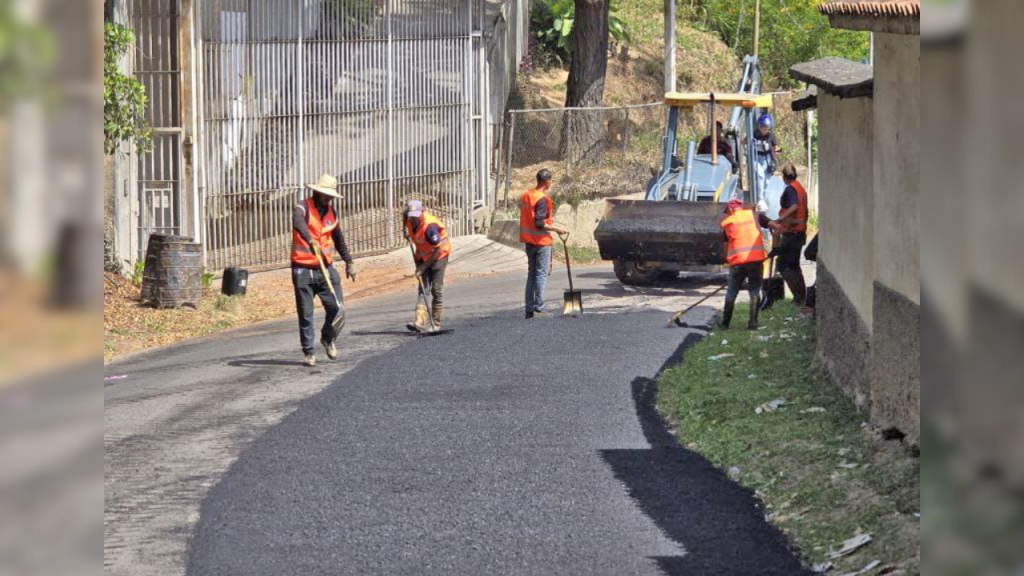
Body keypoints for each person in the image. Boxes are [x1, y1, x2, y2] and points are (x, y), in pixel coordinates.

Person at [291, 173, 356, 367]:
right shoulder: (302, 207)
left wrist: (349, 261)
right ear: (317, 192)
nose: (328, 198)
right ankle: (309, 353)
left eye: (330, 195)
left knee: (337, 308)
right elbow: (297, 222)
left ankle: (328, 338)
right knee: (306, 313)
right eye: (325, 194)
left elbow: (338, 239)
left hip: (325, 267)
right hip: (302, 269)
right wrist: (309, 240)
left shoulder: (332, 213)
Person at [720, 197, 773, 330]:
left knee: (731, 292)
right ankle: (753, 323)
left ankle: (725, 324)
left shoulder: (727, 222)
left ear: (730, 209)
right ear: (741, 207)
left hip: (737, 262)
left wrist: (727, 260)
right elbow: (774, 225)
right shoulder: (755, 215)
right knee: (754, 291)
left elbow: (725, 244)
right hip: (756, 261)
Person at [520, 169, 567, 319]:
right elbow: (539, 223)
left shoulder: (528, 195)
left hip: (529, 242)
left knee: (531, 275)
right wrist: (557, 229)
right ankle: (538, 308)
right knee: (540, 274)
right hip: (541, 243)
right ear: (547, 182)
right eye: (550, 181)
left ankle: (529, 309)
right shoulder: (542, 199)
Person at [403, 200, 451, 333]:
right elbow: (405, 218)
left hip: (439, 256)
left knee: (436, 289)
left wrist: (423, 267)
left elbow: (438, 250)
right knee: (423, 288)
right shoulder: (408, 218)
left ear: (421, 213)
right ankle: (420, 322)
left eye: (416, 217)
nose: (413, 220)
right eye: (411, 217)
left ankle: (435, 323)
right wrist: (405, 233)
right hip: (423, 255)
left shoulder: (430, 227)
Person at [771, 163, 808, 304]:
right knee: (794, 266)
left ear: (784, 177)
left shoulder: (791, 189)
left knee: (784, 266)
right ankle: (801, 296)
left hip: (792, 233)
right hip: (798, 232)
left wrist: (780, 219)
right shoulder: (800, 188)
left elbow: (794, 206)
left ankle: (798, 298)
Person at [753, 113, 779, 198]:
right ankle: (759, 198)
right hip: (756, 158)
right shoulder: (755, 134)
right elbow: (744, 141)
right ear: (759, 126)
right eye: (762, 126)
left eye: (766, 127)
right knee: (760, 176)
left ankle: (763, 197)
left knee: (766, 181)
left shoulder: (771, 135)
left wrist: (776, 153)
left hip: (767, 158)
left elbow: (776, 147)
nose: (764, 129)